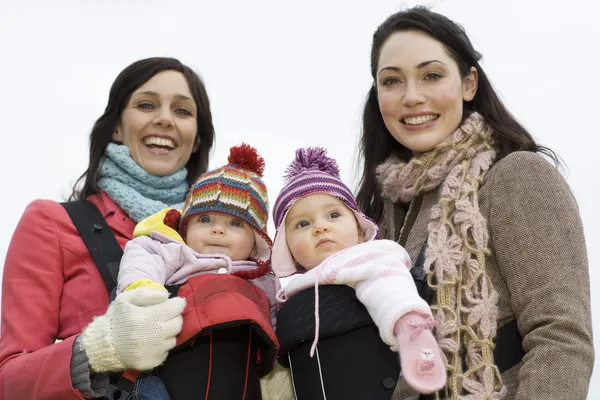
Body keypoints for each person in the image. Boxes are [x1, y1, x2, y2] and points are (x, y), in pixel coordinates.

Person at [354, 6, 593, 400]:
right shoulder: (379, 216)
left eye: (431, 75)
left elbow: (561, 338)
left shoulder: (515, 176)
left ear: (468, 84)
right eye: (392, 81)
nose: (412, 96)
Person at [0, 57, 215, 399]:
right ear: (116, 126)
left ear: (198, 138)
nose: (164, 119)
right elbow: (8, 381)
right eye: (146, 105)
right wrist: (100, 349)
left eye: (183, 111)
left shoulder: (227, 242)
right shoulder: (51, 223)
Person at [270, 147, 446, 398]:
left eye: (333, 215)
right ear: (286, 247)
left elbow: (389, 284)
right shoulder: (288, 292)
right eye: (303, 223)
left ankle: (413, 332)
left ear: (360, 230)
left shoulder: (365, 258)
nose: (320, 227)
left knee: (381, 280)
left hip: (379, 380)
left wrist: (408, 322)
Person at [114, 143, 278, 399]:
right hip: (165, 377)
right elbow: (142, 257)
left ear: (256, 240)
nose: (217, 230)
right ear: (186, 228)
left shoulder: (264, 281)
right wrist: (142, 289)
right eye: (205, 220)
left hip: (237, 379)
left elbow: (277, 321)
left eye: (235, 223)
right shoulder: (177, 253)